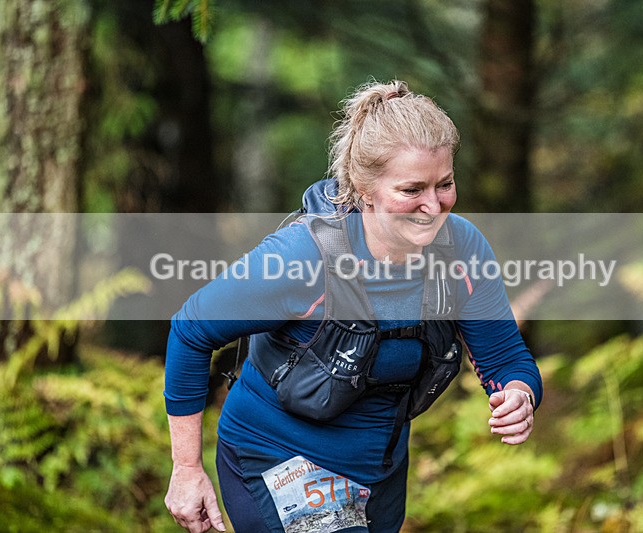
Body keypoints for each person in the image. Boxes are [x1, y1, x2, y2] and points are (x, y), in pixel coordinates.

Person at [163, 80, 543, 533]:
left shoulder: (462, 250)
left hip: (380, 475)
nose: (432, 206)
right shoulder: (302, 258)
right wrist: (187, 470)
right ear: (364, 189)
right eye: (411, 190)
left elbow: (504, 357)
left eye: (445, 184)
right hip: (278, 456)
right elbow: (191, 329)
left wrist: (519, 395)